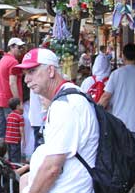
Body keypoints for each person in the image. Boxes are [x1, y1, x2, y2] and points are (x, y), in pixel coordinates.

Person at [14, 48, 99, 193]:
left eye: (32, 71)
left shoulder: (64, 105)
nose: (26, 79)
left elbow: (52, 168)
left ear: (51, 71)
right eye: (25, 74)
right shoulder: (68, 97)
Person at [98, 43, 135, 184]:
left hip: (120, 126)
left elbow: (106, 97)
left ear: (123, 56)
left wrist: (96, 110)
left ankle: (124, 183)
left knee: (121, 156)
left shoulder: (116, 75)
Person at [0, 37, 26, 139]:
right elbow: (12, 83)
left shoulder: (3, 60)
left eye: (22, 47)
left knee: (1, 129)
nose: (21, 50)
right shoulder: (13, 62)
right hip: (10, 101)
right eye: (19, 47)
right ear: (12, 47)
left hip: (1, 99)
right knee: (12, 132)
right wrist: (18, 102)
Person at [5, 97, 24, 164]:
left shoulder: (9, 115)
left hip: (8, 139)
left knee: (10, 155)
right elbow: (21, 129)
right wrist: (23, 139)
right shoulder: (20, 117)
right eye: (21, 104)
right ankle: (16, 168)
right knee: (15, 156)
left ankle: (10, 166)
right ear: (18, 106)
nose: (23, 106)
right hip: (15, 140)